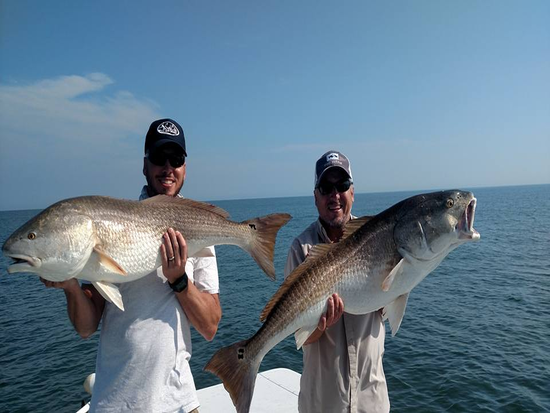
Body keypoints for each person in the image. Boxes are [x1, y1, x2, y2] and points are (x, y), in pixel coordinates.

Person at [41, 118, 221, 413]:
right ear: (144, 164)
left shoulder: (199, 228)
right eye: (159, 158)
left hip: (179, 403)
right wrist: (71, 288)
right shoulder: (114, 222)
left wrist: (179, 281)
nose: (167, 168)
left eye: (176, 159)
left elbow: (210, 326)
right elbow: (86, 327)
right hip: (115, 402)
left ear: (185, 167)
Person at [284, 150, 389, 413]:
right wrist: (320, 326)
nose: (335, 195)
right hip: (322, 404)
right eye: (326, 187)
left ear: (352, 191)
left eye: (341, 186)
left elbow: (387, 306)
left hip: (372, 402)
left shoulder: (378, 238)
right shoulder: (301, 248)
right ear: (315, 197)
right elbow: (300, 336)